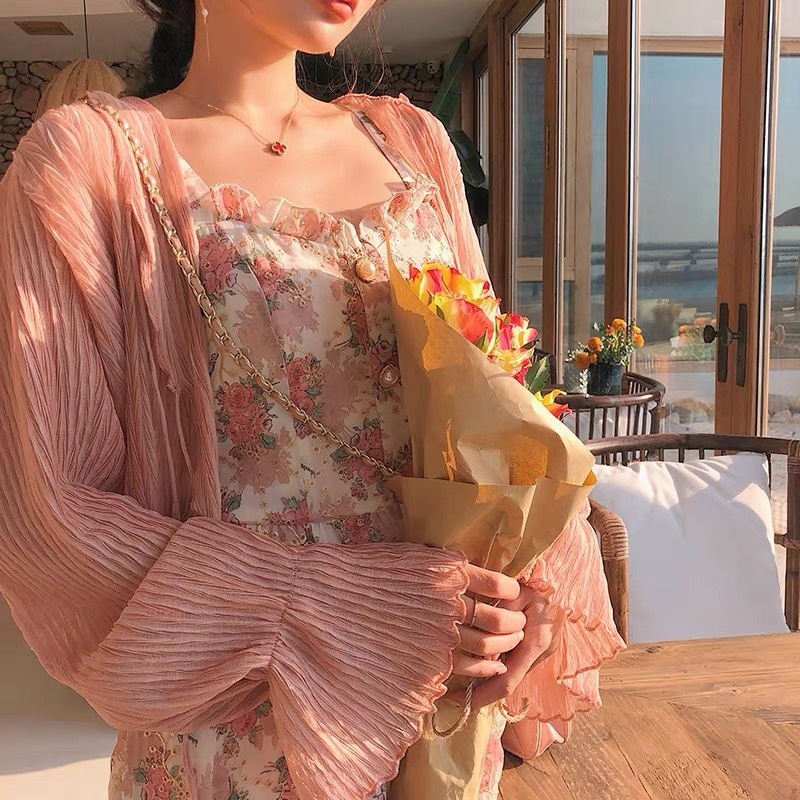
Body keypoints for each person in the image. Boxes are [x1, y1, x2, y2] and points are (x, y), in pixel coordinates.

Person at [0, 1, 623, 798]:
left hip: (438, 727)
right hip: (239, 744)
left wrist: (531, 588)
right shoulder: (88, 163)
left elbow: (499, 397)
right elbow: (49, 514)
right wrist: (338, 610)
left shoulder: (415, 145)